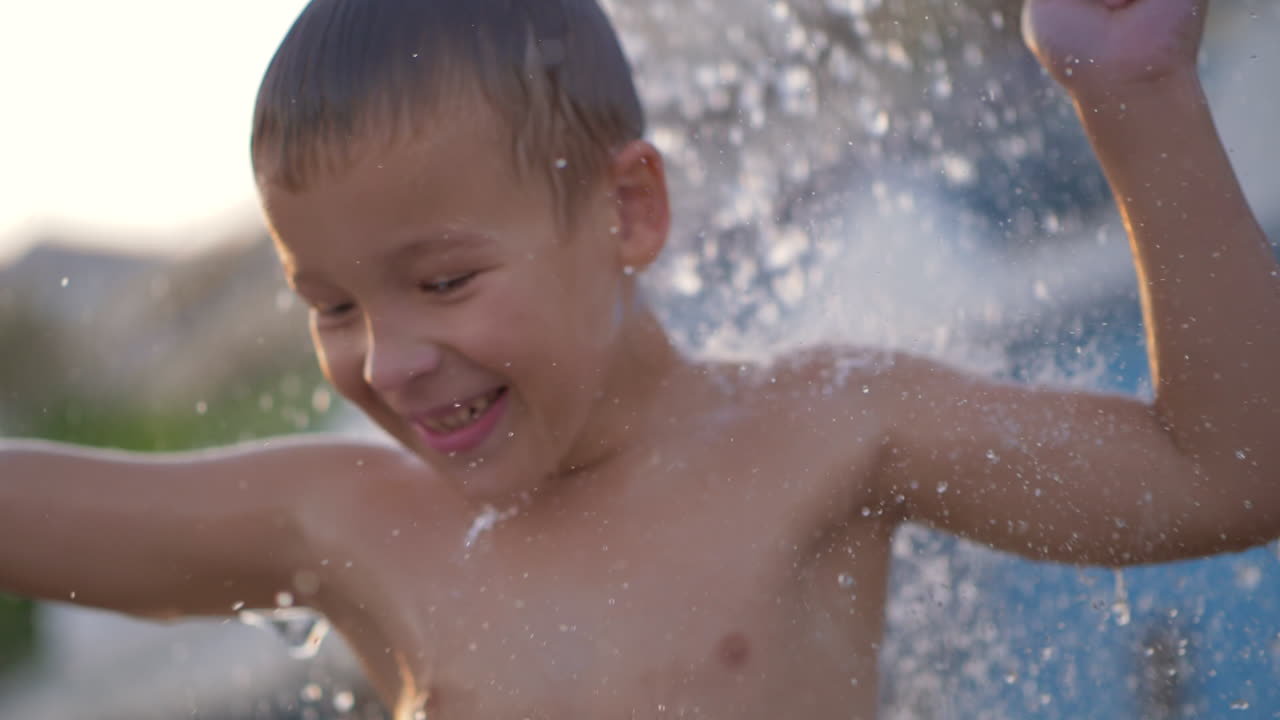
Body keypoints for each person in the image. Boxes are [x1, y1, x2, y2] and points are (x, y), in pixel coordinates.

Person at [3, 0, 1276, 717]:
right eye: (329, 307)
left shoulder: (823, 433)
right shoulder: (343, 521)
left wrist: (1131, 87)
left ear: (627, 213)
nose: (385, 360)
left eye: (443, 281)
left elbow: (1221, 475)